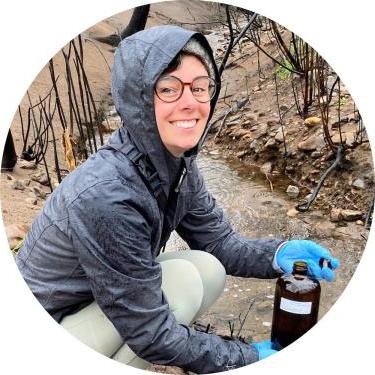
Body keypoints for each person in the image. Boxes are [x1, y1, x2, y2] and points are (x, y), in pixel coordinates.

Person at [15, 25, 340, 373]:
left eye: (200, 87)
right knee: (182, 284)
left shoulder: (175, 165)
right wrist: (247, 359)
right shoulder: (107, 195)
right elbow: (151, 332)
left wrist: (277, 255)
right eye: (168, 88)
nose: (191, 102)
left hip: (96, 300)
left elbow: (221, 243)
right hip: (45, 331)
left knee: (206, 268)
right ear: (137, 97)